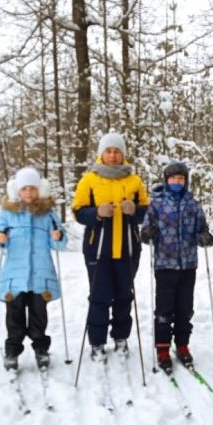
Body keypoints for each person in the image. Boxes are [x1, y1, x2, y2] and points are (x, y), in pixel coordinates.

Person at [71, 132, 149, 362]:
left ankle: (121, 337)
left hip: (128, 249)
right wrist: (96, 213)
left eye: (117, 151)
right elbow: (77, 211)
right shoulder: (90, 179)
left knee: (124, 295)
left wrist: (134, 210)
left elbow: (145, 211)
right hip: (98, 249)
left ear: (123, 154)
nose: (113, 155)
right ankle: (97, 342)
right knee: (99, 296)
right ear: (101, 154)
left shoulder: (133, 180)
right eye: (109, 151)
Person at [140, 161, 213, 372]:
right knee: (164, 308)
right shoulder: (157, 203)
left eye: (181, 179)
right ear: (166, 180)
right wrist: (147, 234)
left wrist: (205, 237)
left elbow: (203, 228)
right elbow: (145, 230)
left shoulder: (193, 204)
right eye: (173, 178)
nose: (177, 182)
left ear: (186, 181)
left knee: (184, 309)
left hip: (188, 264)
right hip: (165, 264)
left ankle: (182, 345)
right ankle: (162, 347)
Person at [0, 167, 68, 371]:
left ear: (39, 190)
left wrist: (58, 237)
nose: (28, 193)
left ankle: (41, 349)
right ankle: (12, 350)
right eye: (24, 189)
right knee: (14, 315)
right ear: (17, 190)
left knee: (38, 315)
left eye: (32, 189)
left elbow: (59, 242)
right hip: (15, 276)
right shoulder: (8, 213)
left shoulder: (47, 214)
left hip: (40, 275)